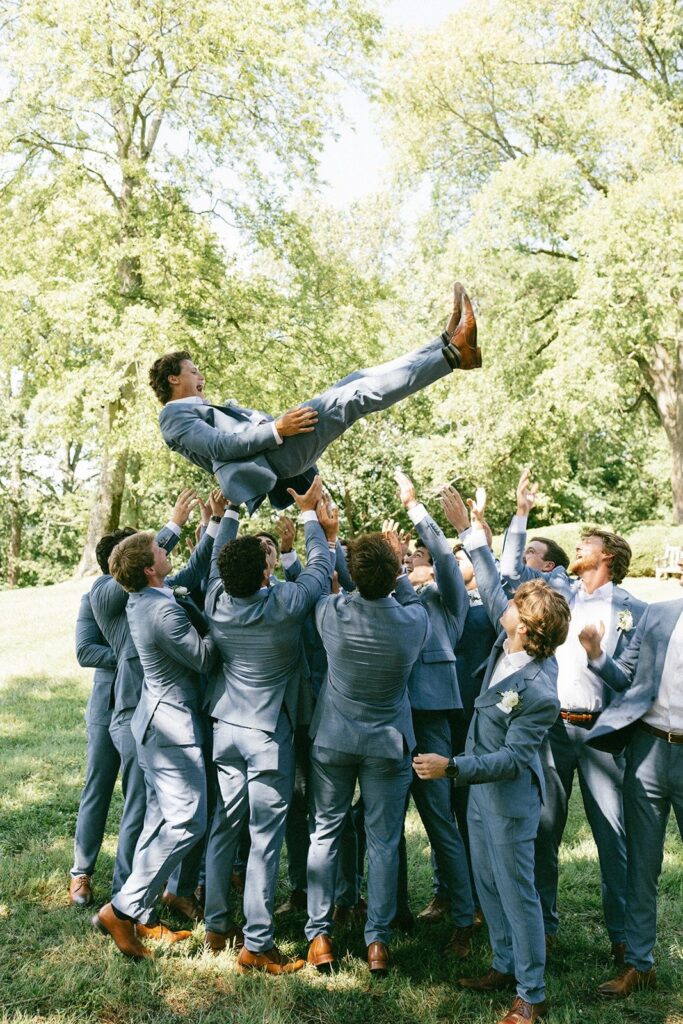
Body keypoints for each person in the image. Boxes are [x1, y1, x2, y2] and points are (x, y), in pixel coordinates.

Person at [414, 488, 570, 1024]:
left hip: (507, 800)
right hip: (480, 798)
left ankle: (532, 993)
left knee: (517, 893)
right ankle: (503, 964)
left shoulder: (539, 690)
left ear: (527, 626)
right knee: (488, 885)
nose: (504, 605)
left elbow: (512, 760)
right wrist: (466, 531)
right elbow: (487, 580)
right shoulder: (512, 639)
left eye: (515, 606)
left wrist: (451, 767)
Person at [150, 283, 480, 513]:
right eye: (193, 371)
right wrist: (278, 428)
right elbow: (220, 447)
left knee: (357, 380)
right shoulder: (173, 417)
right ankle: (454, 357)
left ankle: (444, 342)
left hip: (280, 446)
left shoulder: (190, 410)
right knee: (355, 395)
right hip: (278, 453)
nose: (201, 377)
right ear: (173, 379)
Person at [500, 468, 647, 958]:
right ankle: (544, 925)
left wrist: (597, 655)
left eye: (588, 542)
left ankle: (622, 936)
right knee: (544, 832)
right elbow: (512, 575)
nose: (578, 545)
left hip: (602, 735)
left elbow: (629, 681)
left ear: (608, 556)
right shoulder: (556, 592)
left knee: (613, 835)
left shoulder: (633, 610)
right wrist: (521, 512)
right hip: (551, 730)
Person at [202, 477, 335, 972]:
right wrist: (309, 514)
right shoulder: (285, 605)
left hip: (225, 727)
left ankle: (217, 925)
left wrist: (229, 512)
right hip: (266, 735)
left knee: (224, 825)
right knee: (263, 838)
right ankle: (256, 944)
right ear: (265, 574)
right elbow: (319, 569)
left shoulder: (215, 600)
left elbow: (214, 563)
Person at [304, 530, 430, 977]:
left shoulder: (330, 612)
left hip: (334, 739)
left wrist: (325, 535)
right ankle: (377, 941)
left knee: (324, 833)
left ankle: (320, 936)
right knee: (384, 842)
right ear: (396, 574)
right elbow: (408, 597)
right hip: (388, 744)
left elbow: (325, 578)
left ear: (353, 575)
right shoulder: (414, 621)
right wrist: (399, 567)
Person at [92, 525, 218, 959]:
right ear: (149, 569)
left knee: (159, 819)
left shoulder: (146, 598)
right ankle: (121, 910)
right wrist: (223, 624)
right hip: (171, 729)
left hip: (151, 720)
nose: (165, 551)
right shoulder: (161, 611)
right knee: (188, 821)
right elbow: (205, 658)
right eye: (158, 549)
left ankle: (140, 915)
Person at [578, 555, 683, 998]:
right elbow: (624, 676)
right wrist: (596, 653)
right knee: (641, 864)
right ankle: (639, 963)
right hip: (649, 750)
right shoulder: (658, 614)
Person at [392, 472, 474, 954]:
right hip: (386, 720)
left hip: (429, 721)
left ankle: (464, 918)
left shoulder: (446, 600)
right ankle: (395, 911)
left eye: (415, 557)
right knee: (385, 825)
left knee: (440, 820)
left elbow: (445, 555)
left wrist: (415, 508)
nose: (410, 562)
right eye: (404, 558)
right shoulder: (390, 596)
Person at [69, 593, 120, 907]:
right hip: (107, 707)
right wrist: (132, 654)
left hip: (149, 705)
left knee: (145, 795)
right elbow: (85, 650)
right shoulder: (93, 600)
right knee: (97, 788)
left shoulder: (156, 591)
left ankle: (134, 878)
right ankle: (81, 872)